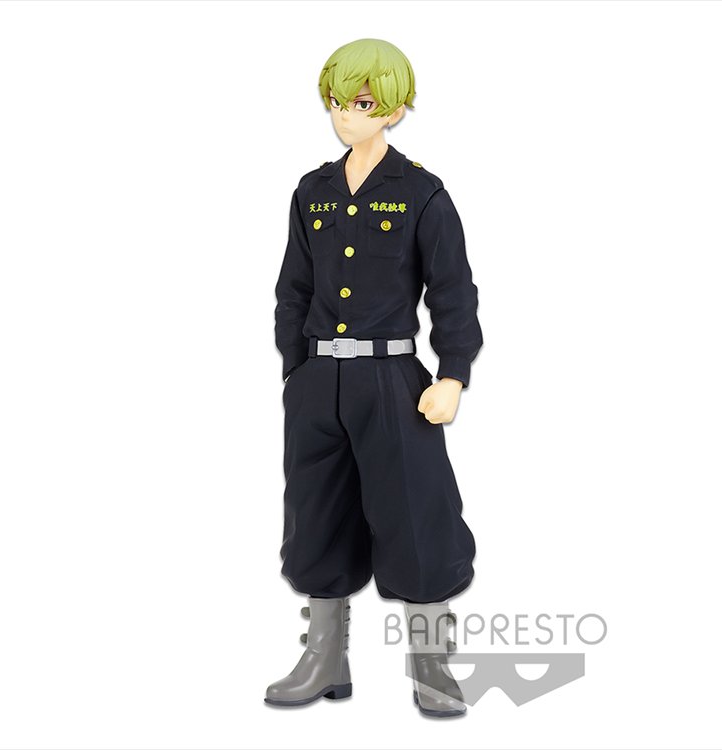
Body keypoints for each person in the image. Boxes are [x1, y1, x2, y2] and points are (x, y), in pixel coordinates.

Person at [265, 38, 483, 717]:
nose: (345, 115)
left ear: (393, 108)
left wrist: (452, 374)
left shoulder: (421, 192)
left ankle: (432, 664)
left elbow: (453, 292)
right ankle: (325, 657)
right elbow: (294, 289)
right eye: (337, 101)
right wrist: (296, 371)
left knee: (417, 514)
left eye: (361, 103)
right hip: (318, 382)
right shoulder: (313, 192)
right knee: (315, 516)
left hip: (393, 381)